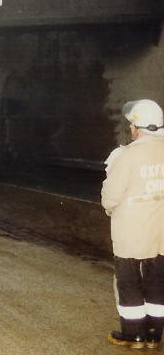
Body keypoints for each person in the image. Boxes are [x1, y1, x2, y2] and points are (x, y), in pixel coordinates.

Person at [101, 99, 164, 350]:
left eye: (131, 125)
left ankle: (133, 334)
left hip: (132, 231)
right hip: (160, 232)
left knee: (129, 282)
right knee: (158, 280)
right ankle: (154, 333)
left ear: (137, 127)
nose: (130, 129)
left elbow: (111, 196)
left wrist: (109, 207)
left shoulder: (127, 155)